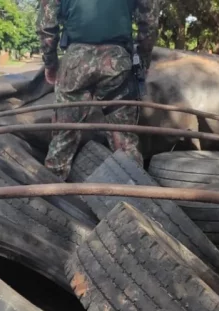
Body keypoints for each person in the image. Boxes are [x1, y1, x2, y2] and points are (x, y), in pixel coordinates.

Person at [37, 0, 159, 180]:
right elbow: (149, 20)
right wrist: (142, 60)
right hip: (117, 63)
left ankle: (47, 195)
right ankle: (137, 196)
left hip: (75, 63)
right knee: (124, 139)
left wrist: (50, 63)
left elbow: (46, 25)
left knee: (63, 136)